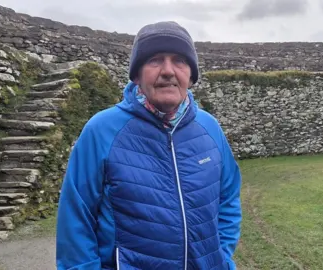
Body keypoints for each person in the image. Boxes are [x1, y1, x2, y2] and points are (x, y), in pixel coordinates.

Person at [56, 21, 242, 270]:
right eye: (155, 60)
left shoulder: (209, 128)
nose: (168, 71)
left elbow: (228, 197)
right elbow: (75, 219)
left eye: (179, 60)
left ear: (191, 73)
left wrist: (222, 256)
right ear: (136, 74)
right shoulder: (101, 130)